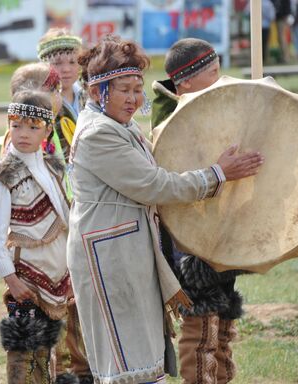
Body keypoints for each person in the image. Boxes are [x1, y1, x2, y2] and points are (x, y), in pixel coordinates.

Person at [66, 35, 264, 384]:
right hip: (108, 255)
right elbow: (156, 185)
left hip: (126, 249)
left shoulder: (119, 126)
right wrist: (217, 174)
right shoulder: (99, 133)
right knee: (126, 360)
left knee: (141, 354)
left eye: (137, 89)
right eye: (124, 89)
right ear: (98, 92)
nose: (134, 98)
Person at [152, 38, 249, 384]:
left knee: (221, 326)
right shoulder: (170, 120)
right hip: (190, 240)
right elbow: (175, 181)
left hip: (220, 230)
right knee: (200, 327)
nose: (220, 79)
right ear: (188, 81)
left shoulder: (212, 105)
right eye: (213, 73)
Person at [0, 89, 71, 383]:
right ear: (8, 125)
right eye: (17, 125)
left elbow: (67, 218)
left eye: (33, 127)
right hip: (26, 275)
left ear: (47, 130)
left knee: (46, 348)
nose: (23, 133)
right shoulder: (3, 175)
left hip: (57, 271)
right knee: (22, 350)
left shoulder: (52, 167)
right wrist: (11, 279)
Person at [37, 28, 87, 159]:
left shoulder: (88, 95)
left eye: (72, 62)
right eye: (57, 63)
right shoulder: (41, 101)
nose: (66, 69)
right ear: (44, 66)